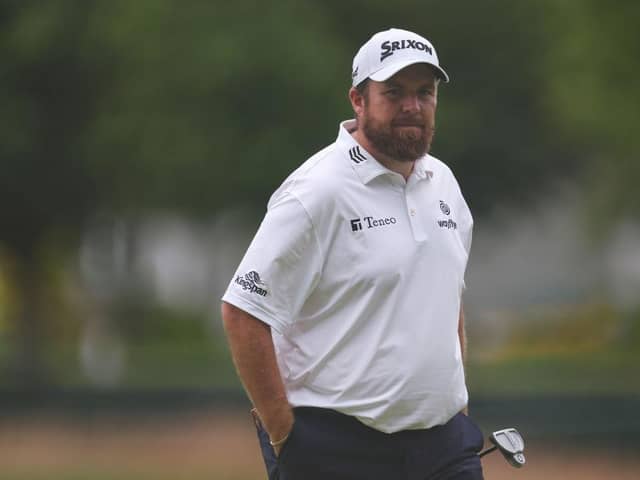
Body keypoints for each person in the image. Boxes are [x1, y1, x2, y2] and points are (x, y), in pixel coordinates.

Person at [221, 27, 484, 480]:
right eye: (394, 92)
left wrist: (456, 404)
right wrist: (284, 435)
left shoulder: (444, 183)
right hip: (339, 449)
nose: (412, 106)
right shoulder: (317, 192)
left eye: (425, 92)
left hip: (442, 447)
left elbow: (446, 299)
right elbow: (244, 312)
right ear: (358, 101)